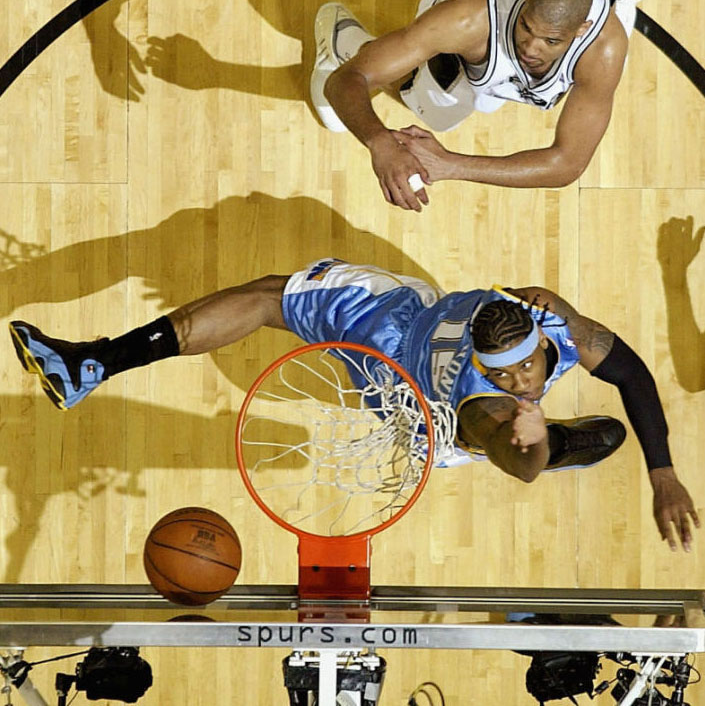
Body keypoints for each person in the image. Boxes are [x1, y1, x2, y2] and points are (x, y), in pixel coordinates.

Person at [9, 257, 697, 552]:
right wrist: (533, 427)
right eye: (508, 376)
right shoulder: (486, 407)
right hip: (403, 370)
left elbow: (630, 373)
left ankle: (86, 366)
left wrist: (660, 470)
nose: (522, 381)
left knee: (272, 297)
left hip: (413, 368)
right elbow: (517, 457)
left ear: (535, 332)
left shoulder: (545, 321)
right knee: (266, 295)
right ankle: (92, 361)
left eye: (527, 370)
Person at [310, 0, 640, 210]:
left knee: (612, 20)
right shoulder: (464, 19)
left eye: (550, 41)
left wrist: (451, 164)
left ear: (581, 30)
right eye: (526, 27)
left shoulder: (602, 47)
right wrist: (379, 141)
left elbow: (567, 163)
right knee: (442, 112)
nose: (531, 47)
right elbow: (347, 81)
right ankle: (344, 41)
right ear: (526, 0)